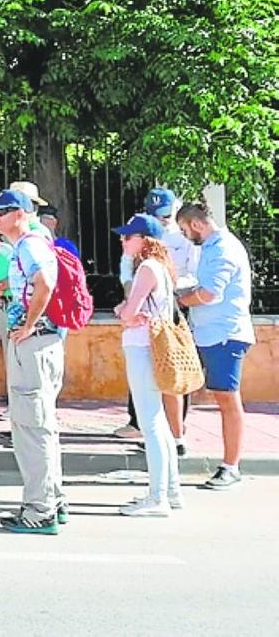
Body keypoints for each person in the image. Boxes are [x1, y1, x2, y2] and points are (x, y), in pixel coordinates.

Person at [0, 188, 66, 535]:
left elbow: (44, 283)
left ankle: (39, 510)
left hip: (34, 344)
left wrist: (28, 324)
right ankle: (53, 501)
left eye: (1, 212)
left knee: (31, 428)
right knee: (41, 425)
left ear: (19, 213)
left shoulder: (30, 244)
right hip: (41, 343)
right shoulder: (29, 244)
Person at [175, 201, 254, 490]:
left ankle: (231, 466)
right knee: (214, 394)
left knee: (227, 398)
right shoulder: (211, 247)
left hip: (224, 334)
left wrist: (180, 300)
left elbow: (209, 294)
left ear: (196, 224)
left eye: (184, 230)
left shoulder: (223, 249)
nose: (185, 236)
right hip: (210, 333)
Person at [115, 188, 199, 450]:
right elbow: (125, 270)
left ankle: (173, 436)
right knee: (157, 383)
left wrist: (125, 309)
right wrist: (132, 292)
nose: (123, 241)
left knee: (167, 380)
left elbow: (194, 274)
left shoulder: (176, 244)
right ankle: (166, 436)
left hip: (167, 314)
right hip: (157, 308)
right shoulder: (150, 260)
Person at [111, 213, 182, 515]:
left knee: (150, 423)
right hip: (151, 346)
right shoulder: (161, 268)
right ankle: (171, 491)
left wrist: (121, 310)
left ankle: (157, 498)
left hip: (141, 347)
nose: (123, 240)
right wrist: (126, 311)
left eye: (129, 236)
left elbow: (129, 312)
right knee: (160, 422)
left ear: (145, 240)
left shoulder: (147, 269)